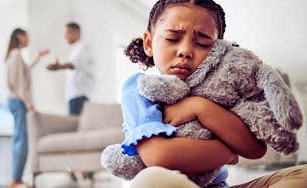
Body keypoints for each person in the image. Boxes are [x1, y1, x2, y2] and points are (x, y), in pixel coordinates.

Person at [118, 0, 307, 187]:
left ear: (219, 52)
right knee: (151, 180)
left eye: (202, 43)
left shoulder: (221, 92)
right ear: (149, 43)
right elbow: (159, 157)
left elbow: (254, 149)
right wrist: (228, 153)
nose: (185, 51)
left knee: (302, 175)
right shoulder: (139, 88)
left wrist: (199, 107)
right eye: (173, 39)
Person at [5, 28, 49, 188]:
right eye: (26, 36)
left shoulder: (14, 55)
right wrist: (29, 104)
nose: (28, 39)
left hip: (15, 101)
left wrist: (37, 56)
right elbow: (21, 84)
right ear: (19, 36)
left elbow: (25, 71)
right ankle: (16, 180)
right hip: (19, 101)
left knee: (20, 139)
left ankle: (17, 178)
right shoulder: (16, 55)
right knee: (21, 140)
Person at [47, 22, 94, 116]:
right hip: (74, 96)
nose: (65, 36)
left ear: (77, 32)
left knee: (76, 127)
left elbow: (73, 64)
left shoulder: (83, 47)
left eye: (67, 33)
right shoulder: (75, 49)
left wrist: (58, 67)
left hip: (79, 96)